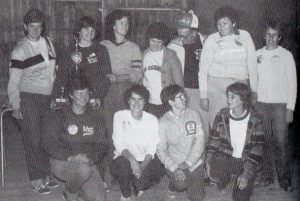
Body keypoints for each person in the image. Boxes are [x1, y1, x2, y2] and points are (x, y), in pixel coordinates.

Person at [7, 8, 58, 194]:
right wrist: (15, 105)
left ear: (42, 27)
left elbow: (53, 73)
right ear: (25, 27)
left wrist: (53, 96)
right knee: (33, 139)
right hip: (28, 98)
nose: (35, 30)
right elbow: (14, 81)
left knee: (46, 138)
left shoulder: (49, 43)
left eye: (39, 26)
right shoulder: (20, 50)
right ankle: (36, 178)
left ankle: (46, 175)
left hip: (46, 97)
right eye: (32, 26)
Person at [43, 77, 108, 201]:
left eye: (86, 93)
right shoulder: (59, 115)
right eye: (79, 93)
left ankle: (78, 189)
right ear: (71, 95)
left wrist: (91, 159)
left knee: (99, 199)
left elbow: (102, 144)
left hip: (87, 162)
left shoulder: (96, 116)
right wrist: (69, 156)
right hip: (63, 161)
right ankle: (70, 194)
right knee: (82, 170)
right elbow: (48, 143)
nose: (84, 97)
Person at [100, 10, 142, 188]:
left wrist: (120, 77)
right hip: (107, 93)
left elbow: (137, 74)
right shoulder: (103, 45)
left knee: (127, 132)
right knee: (109, 133)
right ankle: (108, 176)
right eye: (122, 22)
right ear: (113, 25)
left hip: (127, 91)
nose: (125, 26)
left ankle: (130, 173)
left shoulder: (134, 47)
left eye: (127, 23)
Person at [254, 20, 297, 191]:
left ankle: (284, 180)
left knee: (281, 143)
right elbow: (253, 80)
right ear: (263, 36)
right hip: (261, 104)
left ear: (279, 37)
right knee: (264, 142)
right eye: (267, 34)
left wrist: (290, 108)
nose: (271, 38)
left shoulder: (286, 55)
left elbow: (292, 83)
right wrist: (253, 102)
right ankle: (266, 176)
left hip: (280, 105)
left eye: (274, 35)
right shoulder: (257, 54)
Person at [198, 6, 257, 128]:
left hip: (240, 85)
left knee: (239, 123)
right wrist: (203, 96)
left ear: (234, 23)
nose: (221, 26)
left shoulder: (245, 36)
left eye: (224, 23)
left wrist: (254, 90)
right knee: (219, 124)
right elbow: (202, 71)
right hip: (216, 86)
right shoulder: (211, 40)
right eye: (218, 23)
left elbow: (252, 65)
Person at [205, 82, 265, 201]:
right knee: (215, 172)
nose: (228, 99)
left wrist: (246, 174)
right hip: (226, 157)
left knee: (240, 198)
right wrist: (208, 160)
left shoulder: (256, 118)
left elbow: (257, 149)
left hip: (246, 161)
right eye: (228, 96)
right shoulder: (222, 114)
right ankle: (224, 178)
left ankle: (242, 177)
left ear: (243, 99)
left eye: (232, 97)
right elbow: (214, 140)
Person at [110, 85, 164, 201]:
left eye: (140, 99)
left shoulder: (152, 119)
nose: (136, 102)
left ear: (145, 101)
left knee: (141, 184)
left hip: (145, 160)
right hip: (124, 158)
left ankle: (136, 181)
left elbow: (152, 148)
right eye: (133, 99)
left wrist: (142, 167)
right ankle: (125, 195)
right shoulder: (119, 115)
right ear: (128, 100)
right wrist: (133, 161)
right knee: (123, 167)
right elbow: (119, 143)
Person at [157, 84, 205, 201]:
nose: (184, 99)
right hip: (175, 162)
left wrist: (188, 163)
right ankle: (172, 186)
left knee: (197, 198)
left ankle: (187, 178)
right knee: (181, 185)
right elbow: (161, 150)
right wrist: (175, 167)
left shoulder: (194, 114)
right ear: (171, 102)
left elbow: (200, 141)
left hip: (194, 162)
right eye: (180, 97)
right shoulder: (163, 122)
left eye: (184, 96)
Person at [52, 16, 111, 109]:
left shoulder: (101, 50)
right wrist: (55, 96)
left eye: (92, 30)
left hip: (93, 99)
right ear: (79, 31)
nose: (90, 32)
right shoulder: (69, 51)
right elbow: (61, 77)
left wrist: (99, 96)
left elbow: (107, 77)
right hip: (72, 99)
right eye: (86, 29)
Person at [167, 10, 209, 138]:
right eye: (180, 35)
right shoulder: (172, 46)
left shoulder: (206, 42)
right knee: (186, 128)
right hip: (183, 91)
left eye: (185, 36)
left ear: (195, 32)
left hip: (202, 91)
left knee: (203, 127)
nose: (182, 39)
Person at [142, 22, 183, 118]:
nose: (156, 45)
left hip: (166, 103)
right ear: (148, 39)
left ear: (164, 41)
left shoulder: (171, 55)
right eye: (153, 41)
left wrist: (178, 102)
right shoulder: (144, 55)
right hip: (149, 103)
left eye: (159, 42)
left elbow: (179, 82)